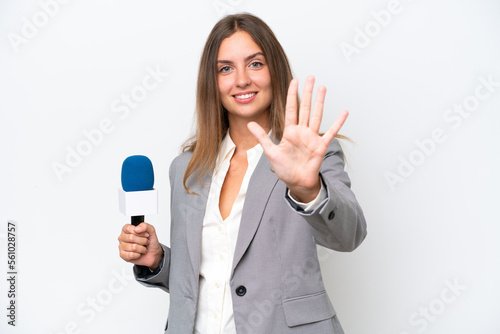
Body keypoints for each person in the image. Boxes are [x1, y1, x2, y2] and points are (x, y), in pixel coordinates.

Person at [118, 13, 367, 334]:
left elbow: (349, 236)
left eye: (255, 64)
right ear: (212, 82)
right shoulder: (186, 169)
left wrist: (309, 189)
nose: (241, 80)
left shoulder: (308, 154)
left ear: (275, 71)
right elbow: (213, 277)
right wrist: (159, 260)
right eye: (225, 68)